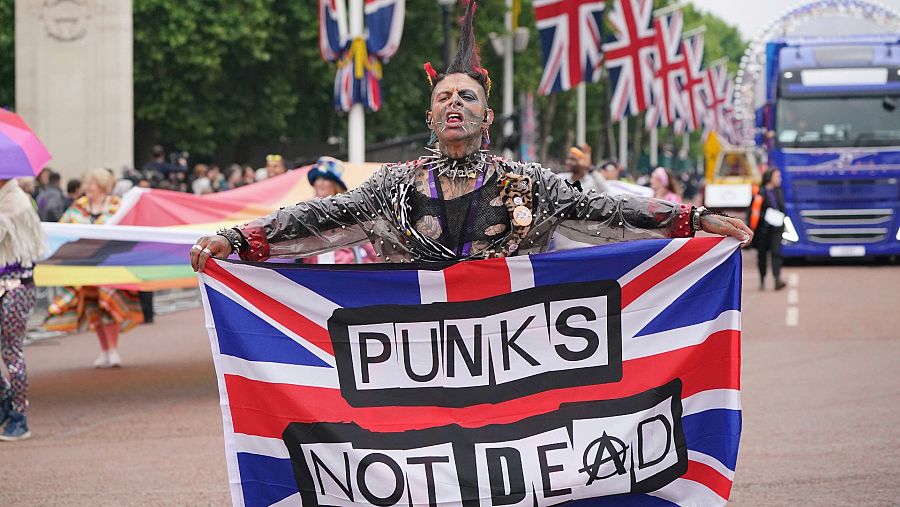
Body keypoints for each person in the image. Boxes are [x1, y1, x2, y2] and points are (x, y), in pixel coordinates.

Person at [190, 1, 751, 271]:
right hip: (415, 357)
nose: (453, 103)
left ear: (487, 118)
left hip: (513, 358)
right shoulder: (392, 189)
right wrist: (238, 239)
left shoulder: (528, 185)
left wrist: (692, 220)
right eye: (443, 97)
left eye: (467, 97)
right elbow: (314, 221)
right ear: (431, 117)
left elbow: (607, 213)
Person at [45, 169, 144, 367]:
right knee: (93, 309)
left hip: (111, 264)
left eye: (92, 184)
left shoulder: (116, 205)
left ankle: (113, 349)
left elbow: (128, 227)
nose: (88, 188)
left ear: (102, 186)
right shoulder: (78, 206)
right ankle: (105, 350)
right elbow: (63, 227)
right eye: (87, 184)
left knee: (109, 304)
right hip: (86, 266)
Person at [0, 178, 46, 441]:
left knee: (11, 352)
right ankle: (4, 400)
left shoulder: (17, 203)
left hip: (17, 286)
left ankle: (19, 416)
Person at [303, 157, 378, 264]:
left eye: (325, 179)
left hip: (343, 273)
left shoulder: (348, 211)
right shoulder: (307, 212)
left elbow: (372, 246)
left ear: (335, 184)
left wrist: (363, 267)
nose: (320, 183)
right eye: (317, 179)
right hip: (316, 274)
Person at [750, 167, 786, 290]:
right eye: (777, 176)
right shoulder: (760, 193)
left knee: (776, 253)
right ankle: (762, 280)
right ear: (770, 178)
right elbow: (753, 211)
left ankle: (777, 279)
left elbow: (782, 208)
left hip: (776, 229)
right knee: (762, 256)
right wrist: (765, 216)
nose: (779, 179)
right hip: (763, 230)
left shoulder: (779, 191)